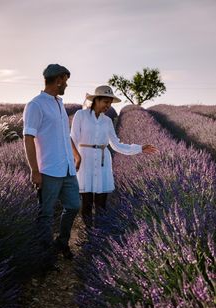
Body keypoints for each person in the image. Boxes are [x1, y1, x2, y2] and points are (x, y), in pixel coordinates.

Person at [70, 85, 157, 228]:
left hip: (103, 161)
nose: (108, 106)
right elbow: (72, 138)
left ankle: (99, 233)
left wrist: (140, 148)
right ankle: (88, 232)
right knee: (86, 202)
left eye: (110, 103)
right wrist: (77, 158)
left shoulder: (107, 121)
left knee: (101, 202)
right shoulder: (81, 115)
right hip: (86, 160)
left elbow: (116, 144)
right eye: (105, 102)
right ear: (96, 100)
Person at [23, 64, 81, 259]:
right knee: (46, 215)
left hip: (67, 168)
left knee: (73, 206)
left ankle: (61, 242)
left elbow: (65, 134)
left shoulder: (59, 103)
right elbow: (28, 138)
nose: (66, 84)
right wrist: (34, 170)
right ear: (58, 80)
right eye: (65, 80)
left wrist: (76, 154)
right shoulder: (35, 105)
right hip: (48, 169)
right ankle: (45, 256)